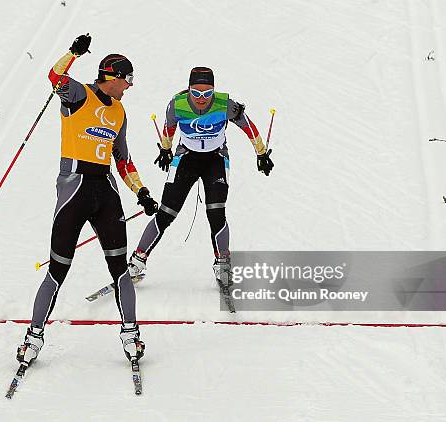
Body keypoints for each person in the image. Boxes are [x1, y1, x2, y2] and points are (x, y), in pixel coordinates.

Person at [16, 34, 158, 366]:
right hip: (74, 187)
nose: (130, 86)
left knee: (120, 269)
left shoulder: (119, 112)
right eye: (128, 79)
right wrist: (73, 53)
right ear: (113, 77)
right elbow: (55, 78)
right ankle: (33, 338)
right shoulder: (80, 94)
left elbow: (122, 159)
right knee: (57, 269)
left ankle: (131, 334)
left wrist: (142, 192)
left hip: (105, 189)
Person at [128, 66, 274, 291]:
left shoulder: (225, 105)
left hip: (215, 160)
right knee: (166, 213)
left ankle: (223, 264)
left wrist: (261, 153)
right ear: (188, 90)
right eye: (196, 94)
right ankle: (137, 261)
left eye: (208, 94)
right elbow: (169, 128)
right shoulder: (177, 104)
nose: (202, 99)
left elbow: (249, 127)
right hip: (186, 158)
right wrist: (166, 150)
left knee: (216, 212)